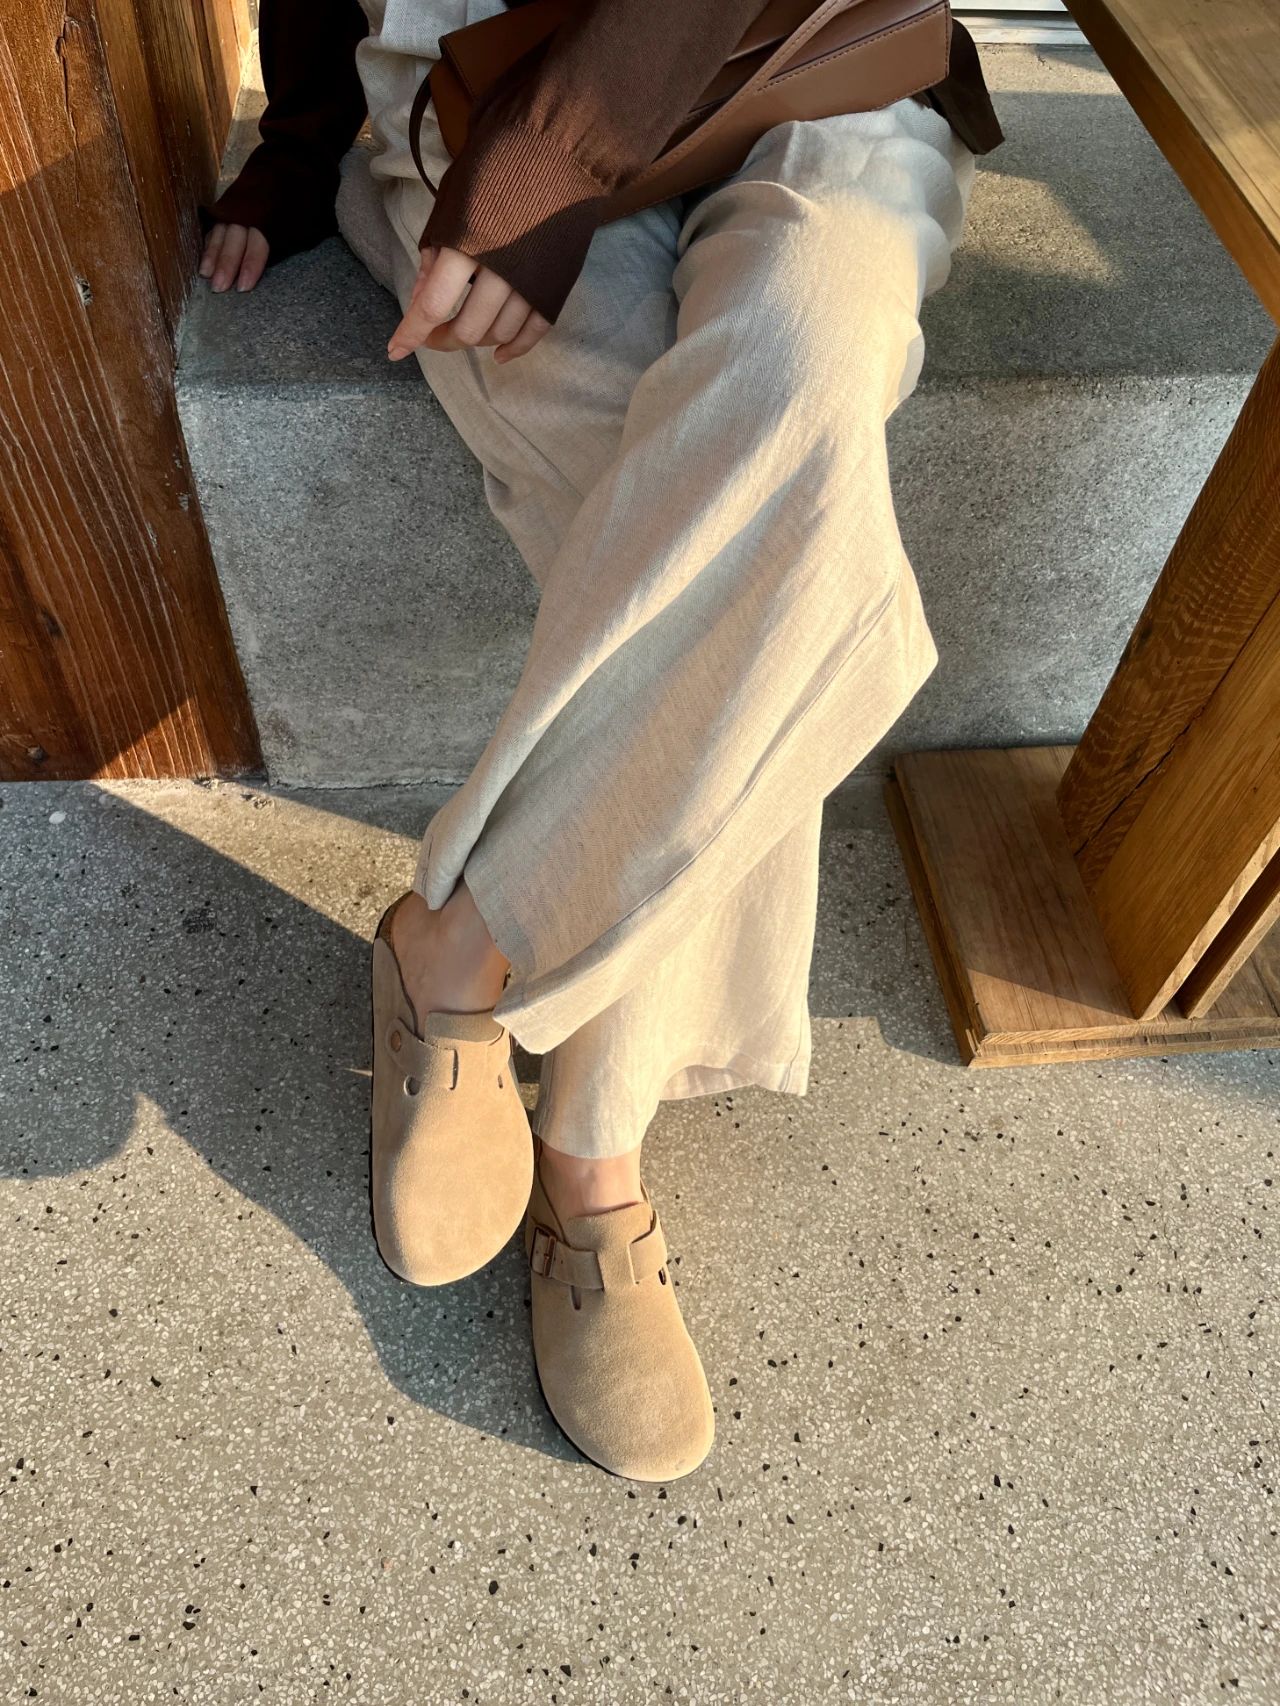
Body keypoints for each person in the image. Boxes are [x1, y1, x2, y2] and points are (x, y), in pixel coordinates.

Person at [203, 0, 1003, 1482]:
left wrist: (562, 145)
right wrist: (297, 147)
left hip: (809, 66)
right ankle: (597, 1158)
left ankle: (465, 955)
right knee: (676, 503)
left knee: (796, 380)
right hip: (479, 73)